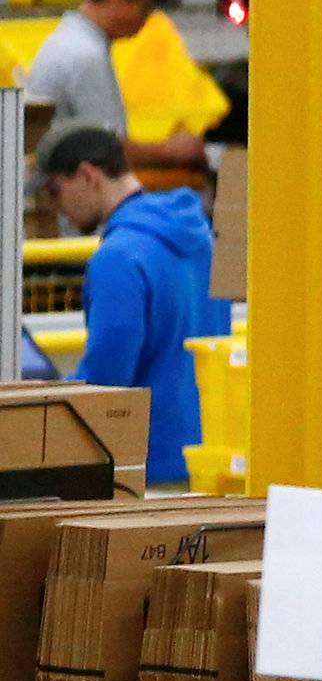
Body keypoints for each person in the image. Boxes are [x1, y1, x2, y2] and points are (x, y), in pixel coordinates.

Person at [36, 124, 216, 485]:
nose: (56, 210)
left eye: (55, 190)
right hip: (209, 459)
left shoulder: (118, 258)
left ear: (88, 175)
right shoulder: (200, 239)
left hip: (149, 472)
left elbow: (106, 383)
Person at [24, 0, 203, 172]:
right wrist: (171, 150)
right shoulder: (85, 54)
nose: (146, 21)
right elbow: (108, 149)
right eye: (145, 8)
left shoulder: (71, 41)